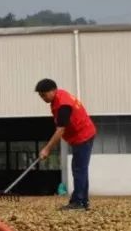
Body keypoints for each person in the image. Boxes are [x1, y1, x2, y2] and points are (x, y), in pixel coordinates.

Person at [35, 79, 97, 211]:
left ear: (53, 90)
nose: (43, 98)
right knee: (80, 169)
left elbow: (60, 129)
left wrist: (47, 149)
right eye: (40, 96)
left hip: (83, 135)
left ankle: (79, 202)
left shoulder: (63, 105)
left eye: (44, 95)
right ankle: (82, 201)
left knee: (79, 169)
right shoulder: (60, 96)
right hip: (80, 135)